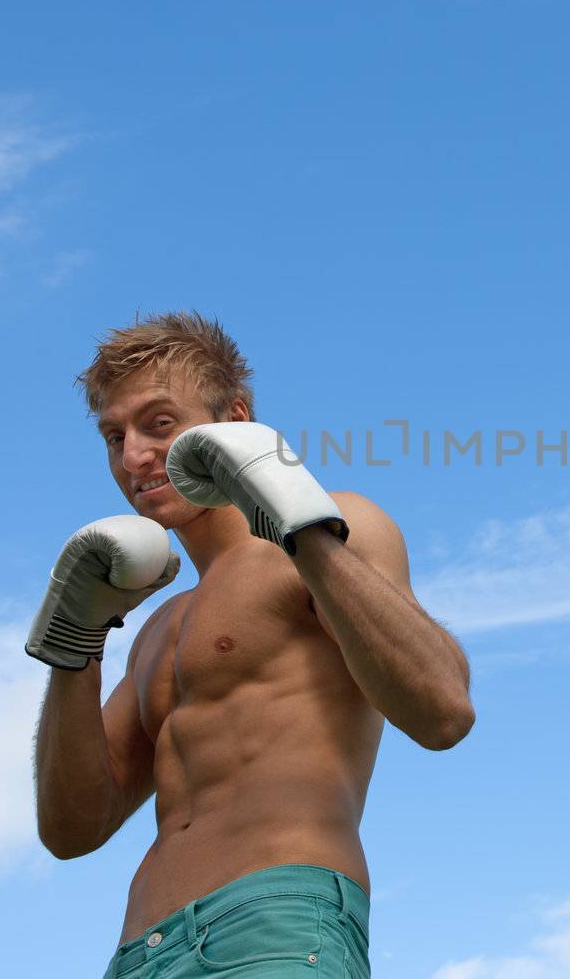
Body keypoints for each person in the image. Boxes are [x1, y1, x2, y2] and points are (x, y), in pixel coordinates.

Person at [26, 310, 474, 978]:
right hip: (138, 955)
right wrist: (74, 643)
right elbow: (70, 829)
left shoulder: (333, 530)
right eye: (113, 435)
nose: (133, 456)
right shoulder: (155, 631)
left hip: (273, 925)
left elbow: (444, 711)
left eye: (159, 423)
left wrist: (302, 526)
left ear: (235, 421)